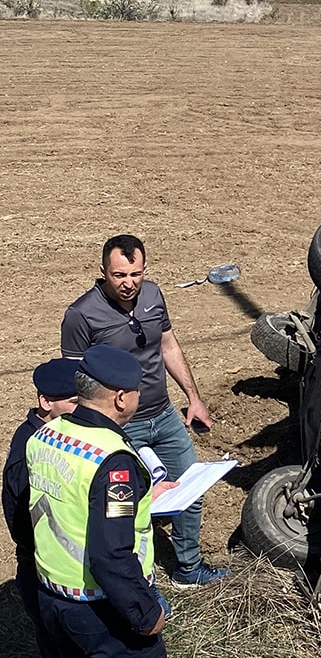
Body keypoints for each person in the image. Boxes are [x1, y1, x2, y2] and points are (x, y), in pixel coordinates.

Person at [61, 234, 229, 586]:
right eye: (119, 275)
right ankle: (136, 580)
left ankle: (188, 567)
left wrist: (193, 397)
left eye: (135, 274)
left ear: (144, 268)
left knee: (188, 490)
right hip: (120, 427)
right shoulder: (81, 315)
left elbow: (167, 345)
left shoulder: (152, 295)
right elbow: (75, 382)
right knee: (128, 506)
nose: (128, 283)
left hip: (164, 415)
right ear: (103, 271)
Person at [29, 346, 173, 657]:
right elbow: (111, 554)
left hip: (51, 597)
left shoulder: (45, 434)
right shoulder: (113, 461)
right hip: (103, 610)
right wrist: (145, 614)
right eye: (137, 390)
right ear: (121, 398)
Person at [4, 358, 79, 658]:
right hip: (43, 572)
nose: (83, 408)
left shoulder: (60, 434)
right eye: (75, 401)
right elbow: (21, 519)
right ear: (45, 401)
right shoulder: (29, 450)